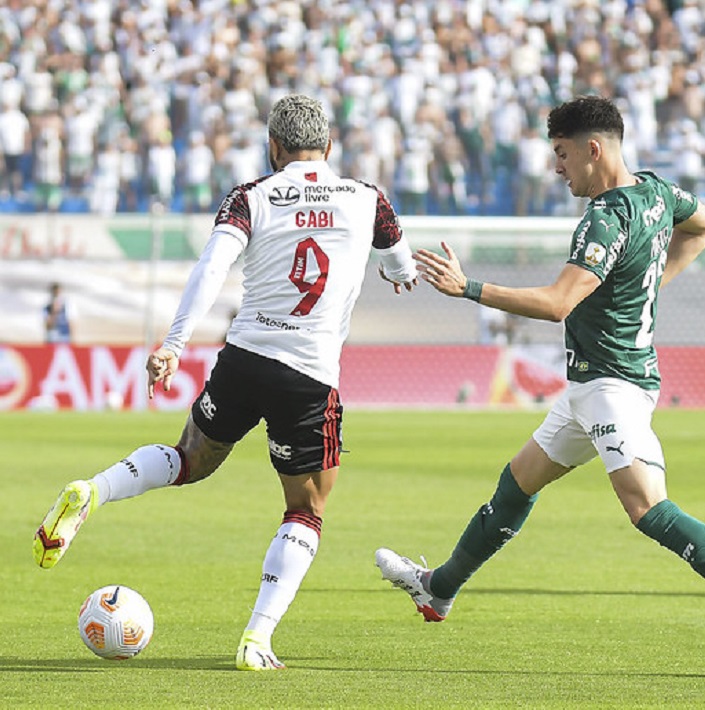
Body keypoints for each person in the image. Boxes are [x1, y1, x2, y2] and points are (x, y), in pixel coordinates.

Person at [33, 94, 417, 668]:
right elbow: (401, 266)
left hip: (244, 358)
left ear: (273, 146)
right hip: (309, 375)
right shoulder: (368, 199)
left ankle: (95, 490)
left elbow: (212, 267)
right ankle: (257, 638)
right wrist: (396, 269)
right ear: (329, 146)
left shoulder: (252, 196)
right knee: (306, 508)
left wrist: (173, 344)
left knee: (189, 459)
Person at [375, 95, 705, 623]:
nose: (556, 168)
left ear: (593, 150)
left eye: (562, 154)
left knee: (647, 507)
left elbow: (557, 304)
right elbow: (699, 226)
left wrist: (469, 288)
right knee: (518, 481)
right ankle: (438, 588)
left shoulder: (605, 218)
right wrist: (646, 287)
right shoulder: (657, 190)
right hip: (594, 385)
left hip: (612, 386)